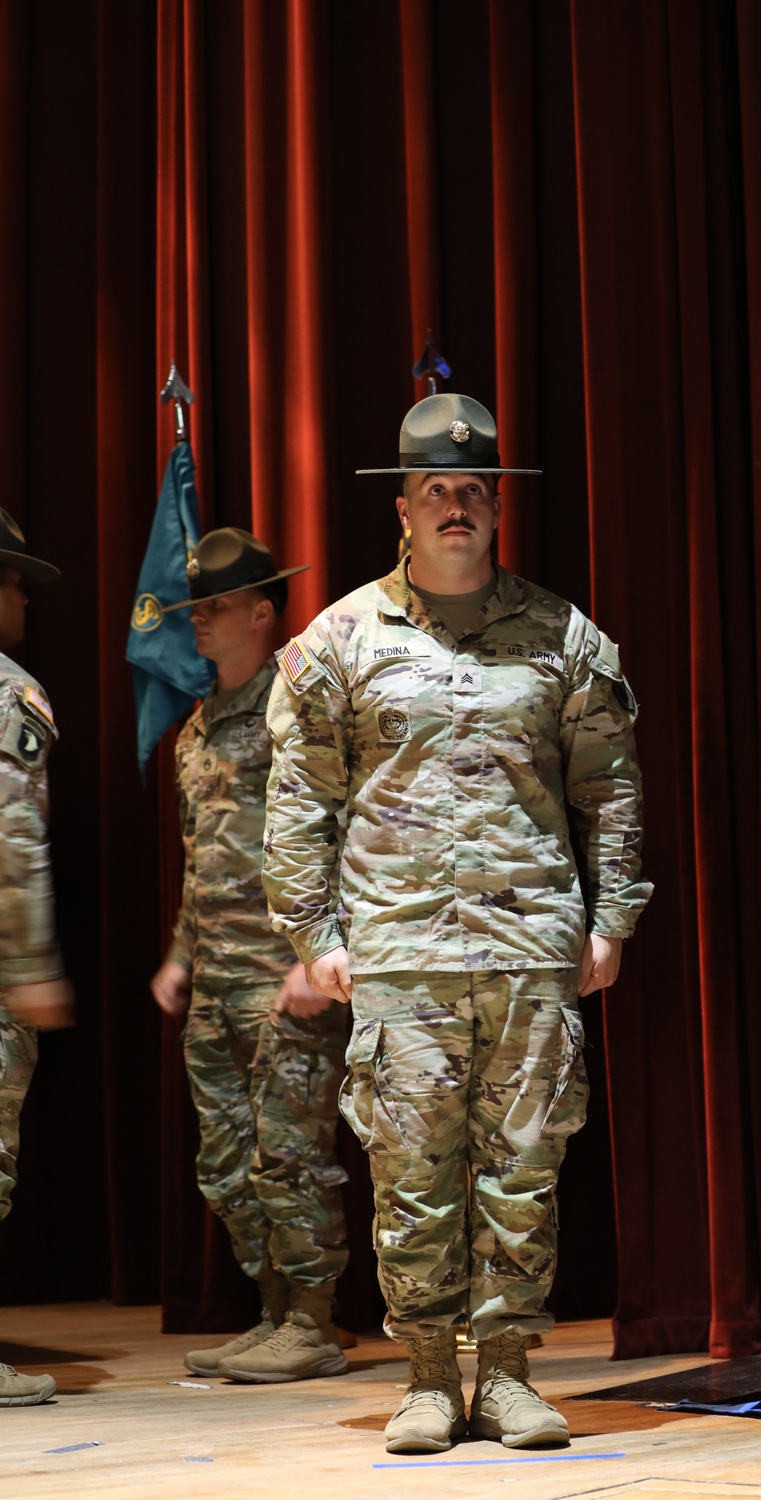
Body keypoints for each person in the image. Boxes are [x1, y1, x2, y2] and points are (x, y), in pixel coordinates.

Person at [263, 394, 652, 1451]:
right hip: (399, 952)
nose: (454, 505)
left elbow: (609, 789)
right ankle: (430, 1378)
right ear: (401, 506)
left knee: (522, 1172)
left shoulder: (562, 637)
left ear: (495, 507)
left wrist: (609, 920)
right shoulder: (338, 640)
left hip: (532, 950)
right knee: (413, 1176)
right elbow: (299, 800)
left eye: (472, 489)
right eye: (435, 488)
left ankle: (513, 1375)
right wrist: (315, 934)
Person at [149, 528, 351, 1384]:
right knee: (227, 1163)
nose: (199, 621)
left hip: (284, 978)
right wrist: (179, 955)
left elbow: (342, 835)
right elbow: (204, 854)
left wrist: (319, 956)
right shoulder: (196, 730)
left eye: (218, 606)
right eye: (196, 607)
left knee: (290, 1154)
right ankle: (271, 1312)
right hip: (217, 982)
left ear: (264, 613)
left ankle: (311, 1322)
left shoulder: (297, 709)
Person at [0, 510, 73, 1407]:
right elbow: (13, 840)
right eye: (13, 576)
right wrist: (29, 965)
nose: (22, 592)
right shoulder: (11, 692)